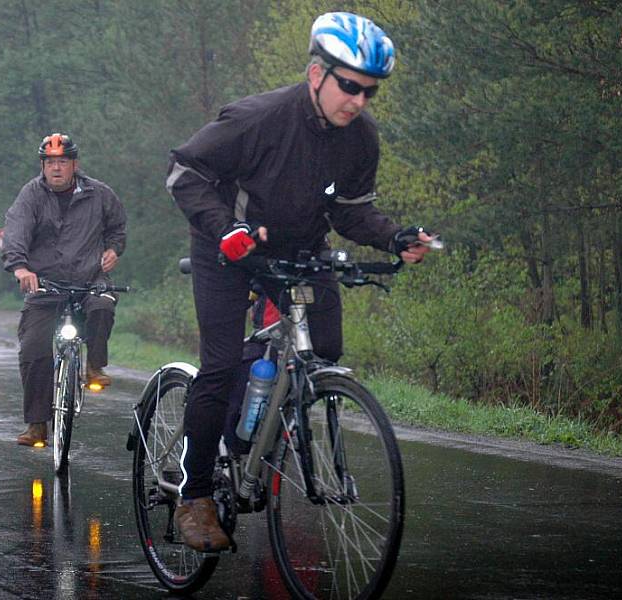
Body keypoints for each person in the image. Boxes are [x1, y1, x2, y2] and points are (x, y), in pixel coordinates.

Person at [165, 12, 435, 552]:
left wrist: (394, 238)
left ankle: (254, 421)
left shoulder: (360, 138)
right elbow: (184, 174)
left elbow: (353, 212)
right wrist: (226, 230)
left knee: (324, 354)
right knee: (218, 364)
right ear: (317, 75)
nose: (358, 101)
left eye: (369, 92)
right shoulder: (257, 118)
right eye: (350, 86)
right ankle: (194, 497)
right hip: (228, 247)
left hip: (299, 253)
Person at [1, 133, 127, 447]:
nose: (56, 168)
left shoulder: (99, 193)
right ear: (43, 166)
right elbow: (15, 232)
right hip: (45, 284)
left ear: (75, 165)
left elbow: (117, 226)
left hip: (89, 279)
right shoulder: (30, 195)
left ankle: (94, 366)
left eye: (63, 162)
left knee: (102, 306)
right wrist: (20, 267)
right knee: (33, 348)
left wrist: (114, 249)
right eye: (50, 162)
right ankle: (37, 425)